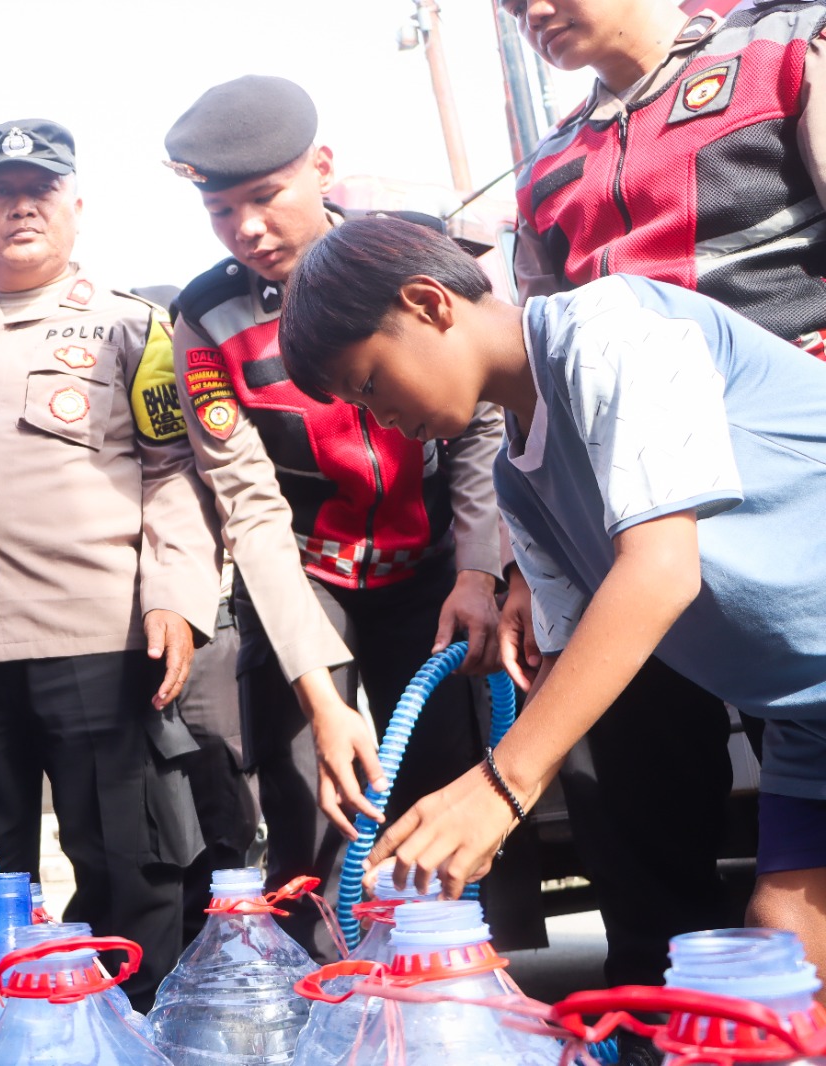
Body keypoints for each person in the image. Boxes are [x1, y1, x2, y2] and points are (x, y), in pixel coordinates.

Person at [281, 213, 826, 990]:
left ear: (430, 303)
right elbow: (581, 660)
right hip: (809, 711)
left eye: (369, 384)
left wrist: (501, 785)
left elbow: (660, 572)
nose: (381, 423)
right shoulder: (519, 479)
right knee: (781, 960)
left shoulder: (613, 328)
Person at [160, 76, 539, 958]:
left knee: (444, 770)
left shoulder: (413, 258)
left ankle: (462, 974)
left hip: (436, 568)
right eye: (222, 212)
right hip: (304, 577)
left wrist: (480, 569)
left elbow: (485, 423)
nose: (248, 229)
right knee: (309, 791)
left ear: (320, 168)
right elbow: (248, 509)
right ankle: (324, 989)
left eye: (264, 198)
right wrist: (320, 695)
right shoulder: (205, 319)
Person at [505, 0, 826, 989]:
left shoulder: (785, 51)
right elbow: (513, 366)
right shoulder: (548, 166)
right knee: (628, 792)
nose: (532, 14)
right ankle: (659, 1018)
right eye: (510, 7)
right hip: (630, 521)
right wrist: (514, 566)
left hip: (789, 509)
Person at [0, 119, 219, 1009]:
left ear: (76, 207)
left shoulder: (135, 327)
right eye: (1, 193)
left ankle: (138, 1035)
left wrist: (175, 594)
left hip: (103, 641)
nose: (20, 207)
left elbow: (173, 472)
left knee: (133, 876)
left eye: (39, 191)